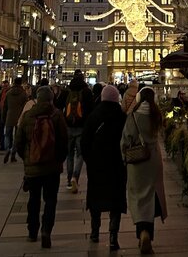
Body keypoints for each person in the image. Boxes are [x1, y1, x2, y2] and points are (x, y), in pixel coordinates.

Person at [15, 84, 68, 248]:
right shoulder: (57, 115)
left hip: (33, 166)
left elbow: (19, 141)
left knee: (33, 199)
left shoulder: (28, 115)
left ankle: (32, 231)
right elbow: (64, 142)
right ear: (51, 99)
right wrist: (59, 160)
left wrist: (26, 158)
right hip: (52, 167)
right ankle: (46, 230)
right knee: (51, 200)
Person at [122, 88, 167, 255]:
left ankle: (142, 232)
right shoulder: (156, 114)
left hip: (137, 161)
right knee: (151, 197)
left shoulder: (133, 116)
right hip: (153, 160)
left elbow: (126, 140)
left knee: (138, 198)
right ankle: (149, 234)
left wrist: (123, 156)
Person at [82, 84, 126, 251]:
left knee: (95, 198)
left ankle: (94, 232)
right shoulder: (122, 117)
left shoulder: (94, 115)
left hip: (97, 165)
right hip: (117, 165)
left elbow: (84, 141)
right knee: (116, 200)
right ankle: (113, 235)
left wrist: (89, 160)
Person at [61, 70, 93, 192]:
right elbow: (91, 110)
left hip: (68, 126)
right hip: (82, 127)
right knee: (80, 154)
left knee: (69, 155)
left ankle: (69, 180)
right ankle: (75, 176)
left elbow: (58, 105)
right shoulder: (86, 92)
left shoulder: (66, 91)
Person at [3, 77, 28, 162]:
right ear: (20, 83)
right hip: (19, 118)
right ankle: (13, 153)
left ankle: (7, 149)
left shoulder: (8, 93)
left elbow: (5, 107)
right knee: (17, 137)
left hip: (9, 116)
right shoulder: (23, 94)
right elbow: (26, 107)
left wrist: (3, 117)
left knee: (7, 135)